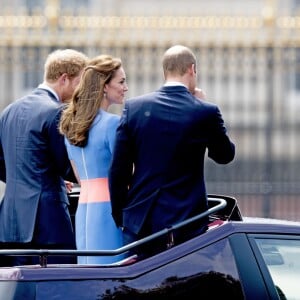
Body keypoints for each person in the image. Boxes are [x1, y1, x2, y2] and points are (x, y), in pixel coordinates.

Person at [108, 44, 235, 260]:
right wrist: (202, 106)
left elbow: (118, 171)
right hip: (188, 222)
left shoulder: (134, 108)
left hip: (142, 223)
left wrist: (122, 216)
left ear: (164, 71)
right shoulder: (205, 111)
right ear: (192, 69)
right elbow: (224, 155)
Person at [0, 49, 88, 266]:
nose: (82, 90)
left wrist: (23, 179)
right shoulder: (56, 111)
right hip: (47, 222)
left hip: (10, 222)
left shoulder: (8, 111)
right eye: (80, 82)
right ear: (64, 79)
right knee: (58, 285)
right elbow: (67, 166)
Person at [59, 55, 129, 264]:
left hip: (85, 209)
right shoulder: (112, 124)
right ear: (104, 86)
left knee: (89, 270)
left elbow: (80, 177)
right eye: (121, 81)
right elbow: (125, 174)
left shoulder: (70, 126)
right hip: (111, 211)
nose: (125, 88)